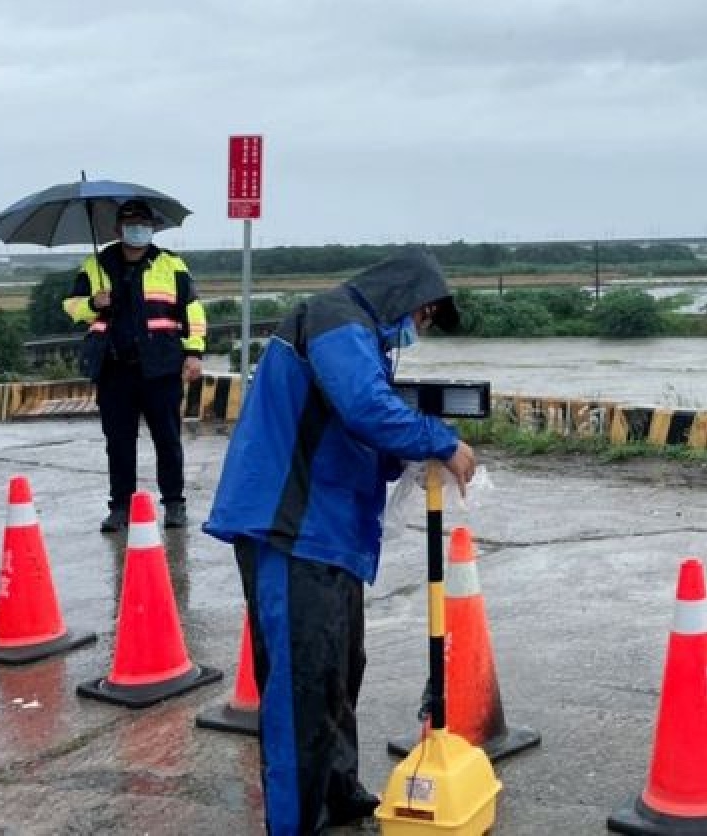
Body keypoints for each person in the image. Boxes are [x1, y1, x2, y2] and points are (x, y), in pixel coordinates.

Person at [204, 247, 476, 834]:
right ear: (408, 297)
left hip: (325, 529)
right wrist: (440, 441)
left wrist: (399, 459)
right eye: (425, 315)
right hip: (289, 526)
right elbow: (363, 408)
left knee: (337, 667)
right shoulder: (336, 320)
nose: (419, 328)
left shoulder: (358, 336)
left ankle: (337, 791)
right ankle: (296, 821)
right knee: (302, 686)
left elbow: (347, 424)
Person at [63, 198, 206, 532]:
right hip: (114, 368)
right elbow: (71, 306)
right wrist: (92, 303)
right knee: (119, 442)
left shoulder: (171, 265)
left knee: (167, 439)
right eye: (130, 223)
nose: (137, 228)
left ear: (152, 228)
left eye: (143, 222)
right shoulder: (95, 265)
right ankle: (120, 507)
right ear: (117, 228)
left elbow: (193, 310)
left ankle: (174, 504)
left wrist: (195, 352)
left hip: (161, 366)